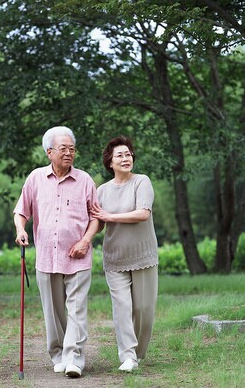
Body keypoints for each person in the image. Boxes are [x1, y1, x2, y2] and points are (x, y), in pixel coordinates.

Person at [13, 126, 99, 378]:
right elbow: (21, 211)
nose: (69, 153)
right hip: (47, 258)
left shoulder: (85, 180)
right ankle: (58, 353)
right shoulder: (36, 178)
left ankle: (74, 358)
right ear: (49, 152)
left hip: (79, 257)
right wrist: (21, 230)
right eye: (63, 149)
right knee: (53, 312)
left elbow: (96, 216)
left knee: (77, 308)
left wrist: (85, 241)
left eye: (72, 149)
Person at [91, 136, 158, 373]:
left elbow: (142, 214)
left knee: (143, 310)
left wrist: (109, 217)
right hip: (115, 258)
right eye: (119, 155)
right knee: (122, 308)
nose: (125, 158)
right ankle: (128, 356)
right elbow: (97, 224)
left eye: (128, 154)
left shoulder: (142, 182)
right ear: (110, 162)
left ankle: (137, 354)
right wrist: (83, 237)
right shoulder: (101, 191)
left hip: (143, 257)